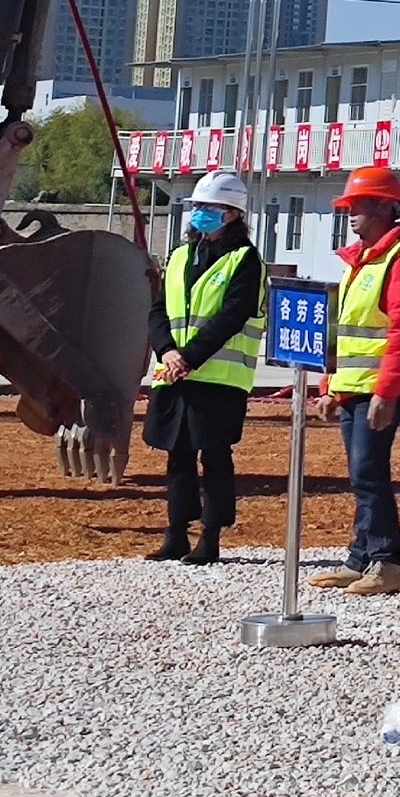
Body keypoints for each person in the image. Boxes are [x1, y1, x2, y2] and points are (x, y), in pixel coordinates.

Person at [310, 163, 400, 594]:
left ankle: (385, 561)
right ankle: (362, 556)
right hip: (356, 389)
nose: (349, 213)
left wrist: (387, 392)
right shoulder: (361, 262)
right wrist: (331, 388)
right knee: (361, 473)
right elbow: (346, 335)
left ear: (384, 207)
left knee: (369, 472)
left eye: (357, 205)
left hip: (378, 389)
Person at [145, 169, 263, 566]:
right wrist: (166, 350)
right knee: (176, 455)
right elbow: (158, 310)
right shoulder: (180, 256)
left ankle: (210, 537)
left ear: (232, 214)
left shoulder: (244, 260)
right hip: (174, 373)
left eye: (209, 208)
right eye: (197, 206)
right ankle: (176, 533)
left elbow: (231, 317)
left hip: (219, 378)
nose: (199, 214)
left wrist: (188, 357)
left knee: (214, 457)